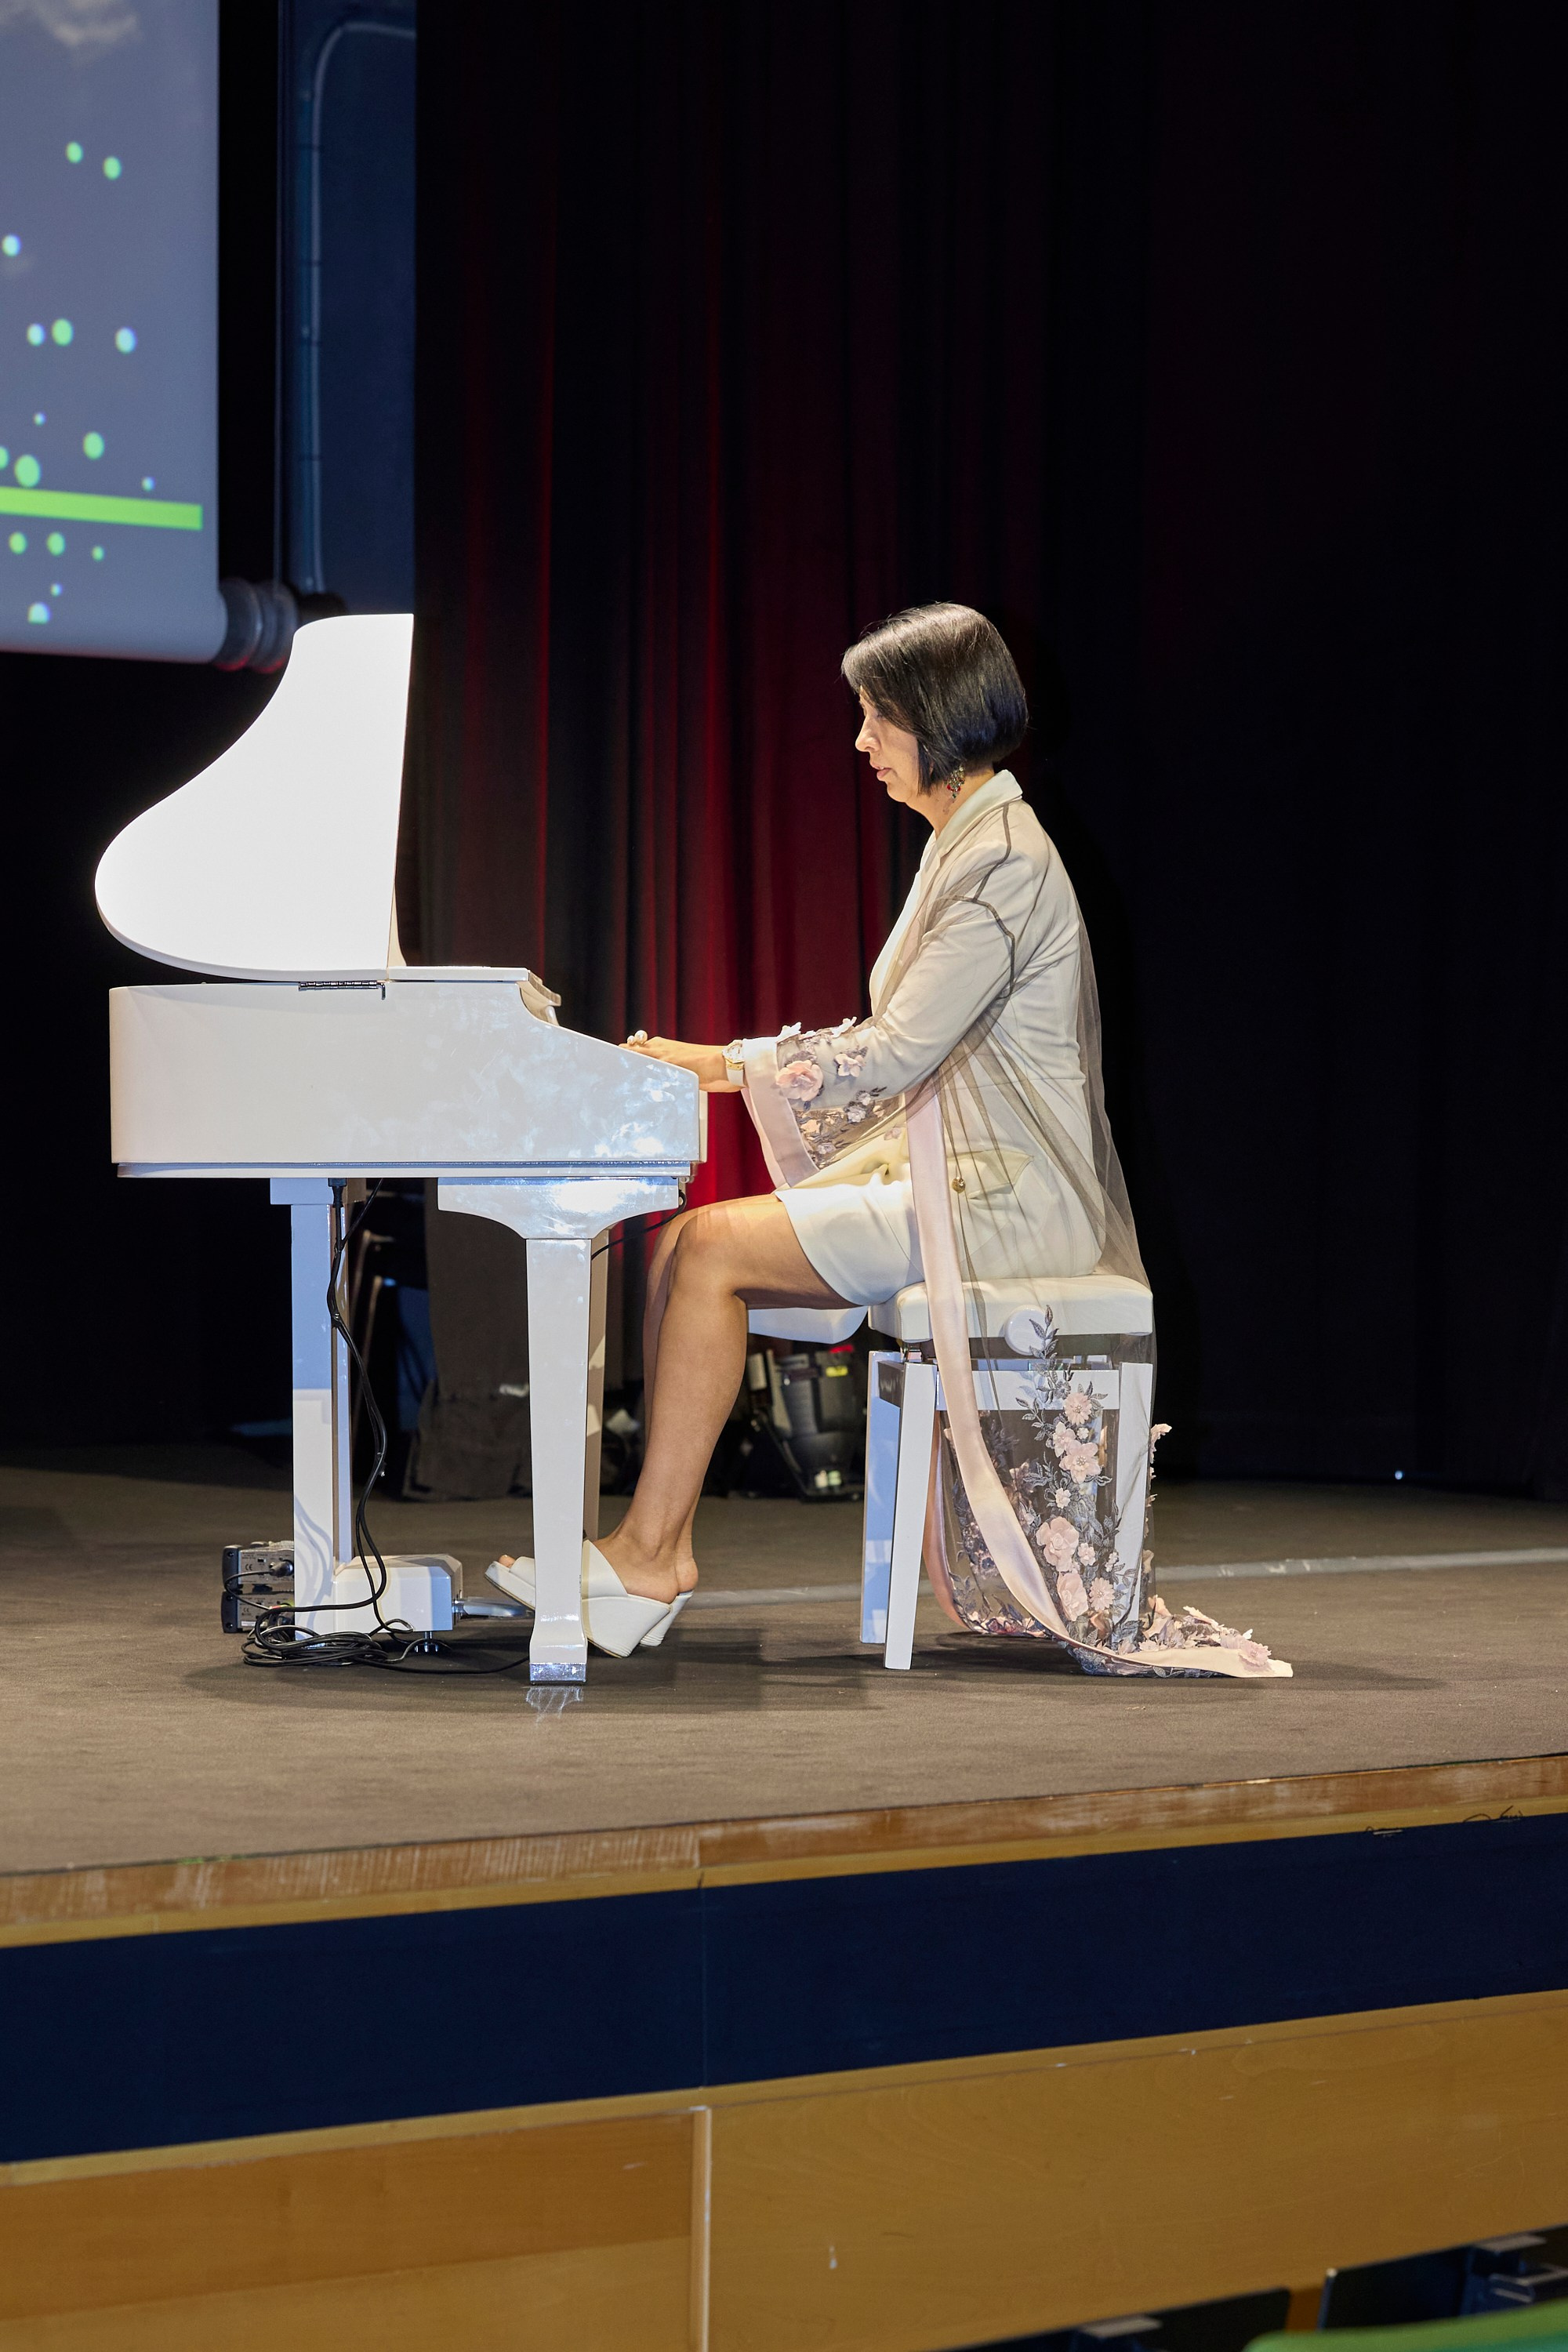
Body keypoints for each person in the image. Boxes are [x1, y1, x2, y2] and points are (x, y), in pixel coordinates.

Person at [490, 604, 1287, 1679]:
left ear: (938, 720)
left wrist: (716, 1064)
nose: (861, 742)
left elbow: (897, 1052)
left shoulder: (1001, 858)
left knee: (715, 1251)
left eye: (876, 717)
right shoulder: (969, 844)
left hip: (1008, 1200)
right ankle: (651, 1554)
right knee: (685, 1248)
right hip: (963, 1172)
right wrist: (718, 1065)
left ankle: (649, 1558)